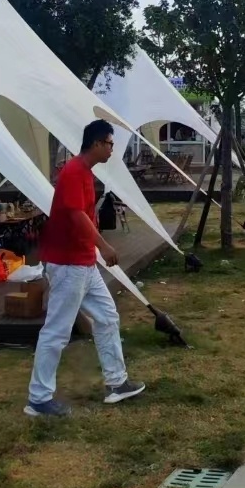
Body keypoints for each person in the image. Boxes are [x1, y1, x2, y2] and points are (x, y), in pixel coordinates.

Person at [26, 120, 145, 418]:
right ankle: (38, 398)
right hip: (68, 264)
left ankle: (117, 383)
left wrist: (94, 251)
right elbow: (77, 215)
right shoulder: (73, 172)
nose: (111, 149)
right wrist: (103, 245)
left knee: (107, 317)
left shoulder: (83, 171)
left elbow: (83, 216)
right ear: (96, 143)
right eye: (109, 143)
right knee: (57, 331)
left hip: (83, 262)